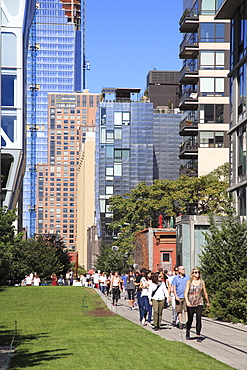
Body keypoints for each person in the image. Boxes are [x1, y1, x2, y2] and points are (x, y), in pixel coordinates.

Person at [185, 268, 210, 342]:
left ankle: (198, 335)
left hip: (199, 301)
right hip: (191, 301)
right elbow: (186, 293)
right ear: (192, 274)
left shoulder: (202, 282)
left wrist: (207, 301)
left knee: (198, 318)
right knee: (190, 318)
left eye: (198, 272)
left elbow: (204, 292)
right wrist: (187, 301)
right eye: (195, 272)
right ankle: (188, 330)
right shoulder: (189, 282)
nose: (197, 274)